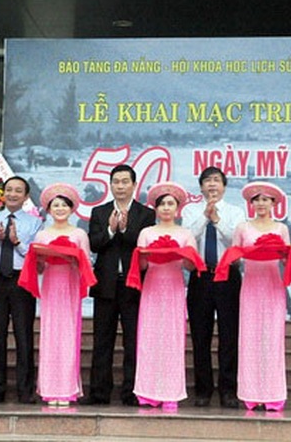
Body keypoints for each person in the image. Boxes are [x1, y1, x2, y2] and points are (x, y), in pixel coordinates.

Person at [81, 165, 156, 406]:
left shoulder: (146, 214)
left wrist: (124, 229)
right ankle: (99, 393)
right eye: (116, 182)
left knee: (133, 341)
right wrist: (111, 230)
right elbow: (94, 244)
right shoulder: (100, 212)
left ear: (134, 185)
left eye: (125, 182)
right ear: (110, 185)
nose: (121, 186)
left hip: (134, 285)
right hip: (106, 285)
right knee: (102, 340)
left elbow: (143, 244)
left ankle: (132, 392)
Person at [129, 182, 202, 412]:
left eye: (171, 204)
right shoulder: (146, 233)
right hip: (151, 287)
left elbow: (191, 267)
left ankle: (171, 392)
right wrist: (147, 254)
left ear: (177, 208)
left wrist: (182, 255)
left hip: (173, 288)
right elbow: (140, 264)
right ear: (156, 209)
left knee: (172, 339)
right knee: (149, 339)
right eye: (162, 204)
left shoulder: (185, 233)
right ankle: (147, 391)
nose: (166, 208)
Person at [181, 167, 244, 408]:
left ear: (224, 186)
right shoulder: (190, 211)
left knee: (229, 336)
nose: (212, 185)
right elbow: (188, 238)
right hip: (201, 277)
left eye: (216, 181)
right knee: (200, 336)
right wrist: (205, 217)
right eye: (207, 181)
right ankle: (203, 390)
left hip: (227, 276)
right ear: (201, 187)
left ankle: (228, 391)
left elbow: (235, 242)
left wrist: (217, 221)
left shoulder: (235, 212)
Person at [26, 183, 92, 406]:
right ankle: (49, 389)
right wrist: (43, 259)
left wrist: (74, 259)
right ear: (49, 209)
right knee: (50, 334)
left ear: (72, 209)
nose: (60, 209)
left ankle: (67, 389)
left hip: (70, 285)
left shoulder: (79, 233)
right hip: (52, 285)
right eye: (56, 205)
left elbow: (87, 265)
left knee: (68, 335)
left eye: (64, 205)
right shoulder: (42, 234)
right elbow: (37, 268)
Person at [0, 176, 42, 405]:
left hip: (21, 281)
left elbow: (35, 256)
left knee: (23, 336)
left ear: (26, 196)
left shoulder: (35, 223)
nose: (13, 194)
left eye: (18, 191)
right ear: (3, 194)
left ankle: (25, 390)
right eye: (9, 190)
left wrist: (16, 242)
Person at [233, 181, 291, 411]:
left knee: (272, 339)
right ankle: (250, 393)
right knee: (250, 338)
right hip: (250, 286)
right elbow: (235, 257)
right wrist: (246, 253)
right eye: (257, 200)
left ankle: (273, 394)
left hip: (273, 286)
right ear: (251, 203)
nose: (261, 204)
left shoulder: (281, 229)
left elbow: (288, 260)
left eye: (265, 200)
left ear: (274, 203)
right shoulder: (243, 228)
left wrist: (281, 254)